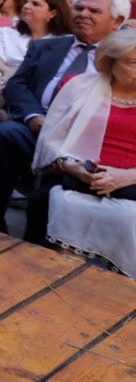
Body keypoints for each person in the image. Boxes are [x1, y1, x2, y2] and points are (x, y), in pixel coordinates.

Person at [0, 0, 127, 231]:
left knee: (54, 190)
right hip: (37, 126)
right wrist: (34, 117)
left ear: (117, 21)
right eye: (78, 8)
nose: (83, 14)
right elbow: (18, 84)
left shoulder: (125, 56)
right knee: (0, 135)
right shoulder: (48, 47)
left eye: (94, 10)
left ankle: (44, 238)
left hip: (85, 139)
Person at [28, 29, 136, 266]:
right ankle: (52, 272)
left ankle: (124, 291)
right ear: (110, 61)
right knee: (49, 200)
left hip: (132, 181)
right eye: (133, 63)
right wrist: (71, 166)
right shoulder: (77, 86)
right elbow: (51, 138)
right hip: (78, 172)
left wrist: (126, 176)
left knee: (129, 215)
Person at [0, 0, 72, 78]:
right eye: (26, 2)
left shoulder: (65, 41)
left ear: (52, 13)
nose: (26, 6)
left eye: (35, 4)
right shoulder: (5, 33)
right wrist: (8, 72)